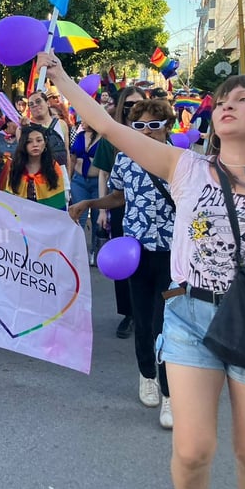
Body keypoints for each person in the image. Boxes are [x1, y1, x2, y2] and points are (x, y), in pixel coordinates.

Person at [40, 52, 245, 489]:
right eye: (222, 98)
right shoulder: (186, 167)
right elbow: (110, 128)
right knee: (192, 451)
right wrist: (61, 78)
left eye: (242, 99)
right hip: (188, 314)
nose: (226, 105)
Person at [69, 99, 176, 430]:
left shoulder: (183, 161)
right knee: (143, 319)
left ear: (166, 127)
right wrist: (90, 202)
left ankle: (171, 393)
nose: (146, 132)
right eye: (139, 126)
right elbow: (119, 196)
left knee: (168, 324)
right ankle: (147, 375)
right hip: (136, 252)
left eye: (154, 126)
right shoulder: (126, 161)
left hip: (174, 255)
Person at [92, 86, 146, 339]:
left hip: (151, 210)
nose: (133, 109)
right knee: (123, 262)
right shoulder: (111, 137)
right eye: (128, 104)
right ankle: (129, 313)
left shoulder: (155, 133)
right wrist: (102, 209)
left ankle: (149, 310)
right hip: (119, 206)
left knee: (149, 261)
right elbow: (103, 173)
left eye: (138, 103)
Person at [1, 125, 66, 210]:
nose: (35, 144)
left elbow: (58, 202)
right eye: (29, 141)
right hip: (21, 217)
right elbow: (10, 198)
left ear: (45, 143)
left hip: (46, 218)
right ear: (23, 144)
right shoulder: (15, 166)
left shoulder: (53, 166)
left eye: (39, 140)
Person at [69, 119, 102, 265]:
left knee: (96, 219)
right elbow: (73, 158)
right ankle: (78, 251)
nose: (82, 121)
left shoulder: (104, 138)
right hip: (79, 181)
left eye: (86, 118)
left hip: (97, 182)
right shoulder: (80, 136)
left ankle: (95, 251)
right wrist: (68, 180)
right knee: (78, 216)